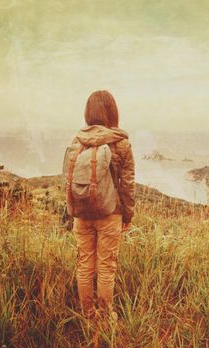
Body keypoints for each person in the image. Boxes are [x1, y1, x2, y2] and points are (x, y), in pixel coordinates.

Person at [63, 90, 135, 320]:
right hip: (110, 214)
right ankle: (105, 317)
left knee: (84, 264)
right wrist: (128, 216)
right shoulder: (121, 142)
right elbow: (128, 185)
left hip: (81, 214)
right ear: (113, 112)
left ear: (88, 113)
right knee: (106, 268)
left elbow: (68, 177)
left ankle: (88, 314)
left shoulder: (77, 141)